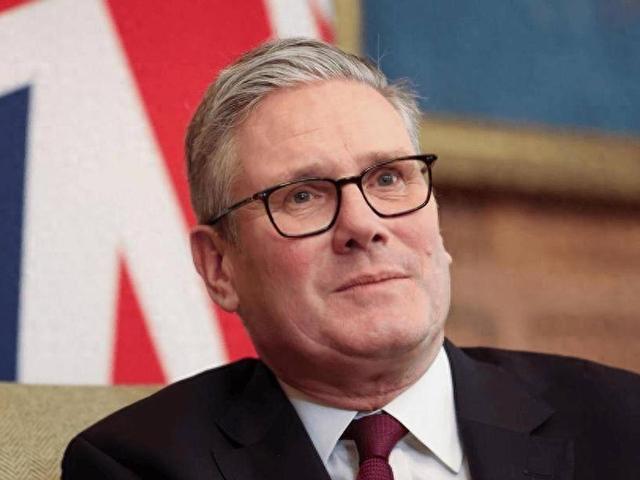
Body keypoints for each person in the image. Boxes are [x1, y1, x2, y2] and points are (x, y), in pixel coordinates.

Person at [62, 38, 639, 480]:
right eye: (302, 196)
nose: (364, 225)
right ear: (219, 267)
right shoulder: (136, 466)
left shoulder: (622, 424)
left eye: (388, 178)